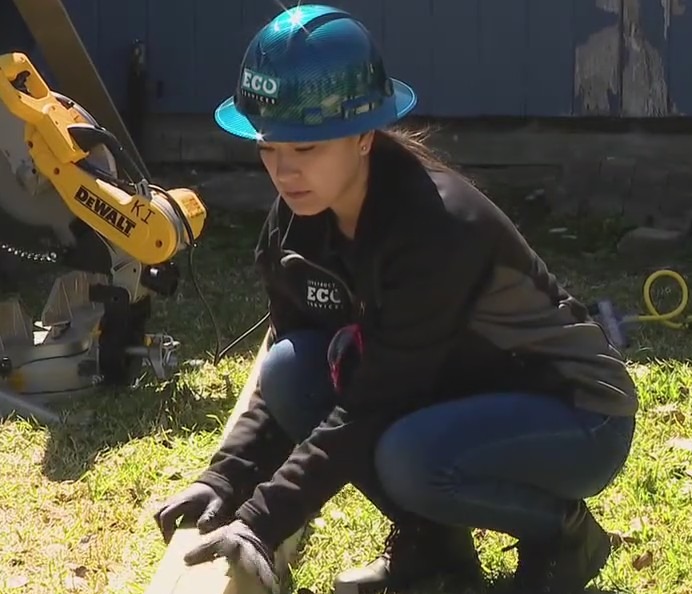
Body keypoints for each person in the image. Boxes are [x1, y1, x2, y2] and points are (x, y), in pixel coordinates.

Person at [152, 5, 638, 594]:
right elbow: (291, 359)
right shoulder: (297, 223)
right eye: (270, 146)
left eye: (307, 149)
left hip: (574, 414)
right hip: (449, 391)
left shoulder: (436, 224)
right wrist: (226, 479)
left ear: (363, 136)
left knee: (410, 457)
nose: (284, 170)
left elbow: (374, 402)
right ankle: (435, 557)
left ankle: (565, 537)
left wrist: (260, 523)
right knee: (290, 370)